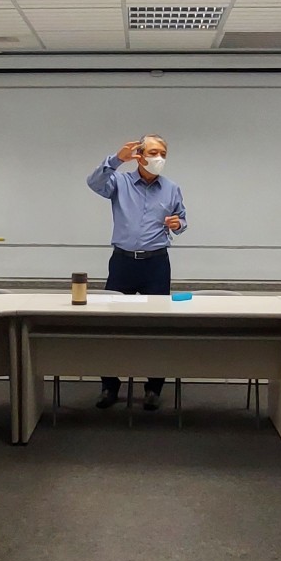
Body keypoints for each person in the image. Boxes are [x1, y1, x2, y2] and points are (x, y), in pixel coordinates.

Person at [87, 134, 187, 410]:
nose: (159, 158)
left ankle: (153, 388)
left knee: (158, 327)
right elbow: (94, 183)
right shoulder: (119, 182)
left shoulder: (171, 188)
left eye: (163, 154)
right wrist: (116, 160)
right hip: (123, 263)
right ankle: (109, 386)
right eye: (154, 153)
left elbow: (182, 220)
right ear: (139, 155)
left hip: (156, 264)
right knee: (110, 324)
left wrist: (178, 224)